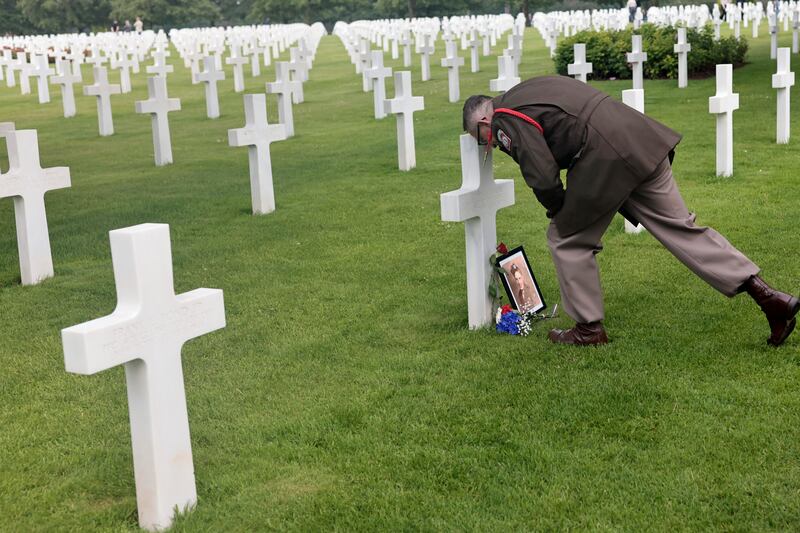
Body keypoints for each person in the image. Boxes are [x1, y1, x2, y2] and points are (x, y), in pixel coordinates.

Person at [462, 76, 799, 347]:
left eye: (482, 137)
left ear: (484, 119)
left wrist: (557, 209)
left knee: (565, 238)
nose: (487, 144)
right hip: (639, 140)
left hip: (604, 158)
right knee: (682, 229)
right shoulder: (526, 89)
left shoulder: (504, 118)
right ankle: (769, 298)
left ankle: (588, 330)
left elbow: (541, 172)